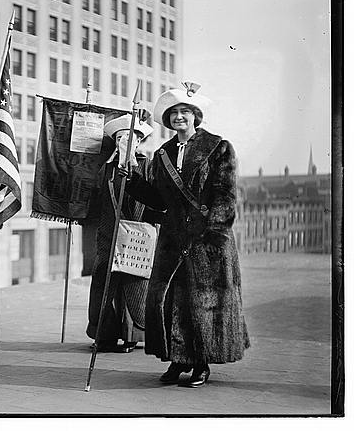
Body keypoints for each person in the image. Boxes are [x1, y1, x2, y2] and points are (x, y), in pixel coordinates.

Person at [125, 83, 249, 387]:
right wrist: (132, 182)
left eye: (185, 112)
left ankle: (201, 364)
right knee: (169, 299)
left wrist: (213, 233)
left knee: (203, 302)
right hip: (173, 238)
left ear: (196, 116)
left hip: (207, 240)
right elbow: (158, 199)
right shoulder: (162, 154)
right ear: (167, 120)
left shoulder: (219, 147)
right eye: (173, 113)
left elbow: (225, 196)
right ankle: (177, 361)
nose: (179, 117)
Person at [86, 115, 164, 353]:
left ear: (139, 142)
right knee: (105, 281)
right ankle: (104, 335)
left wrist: (152, 228)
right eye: (121, 138)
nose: (126, 143)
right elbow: (96, 198)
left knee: (134, 280)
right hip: (109, 232)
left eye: (131, 139)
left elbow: (156, 200)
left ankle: (132, 335)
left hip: (138, 231)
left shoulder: (148, 166)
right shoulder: (107, 169)